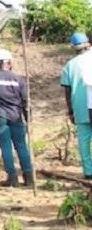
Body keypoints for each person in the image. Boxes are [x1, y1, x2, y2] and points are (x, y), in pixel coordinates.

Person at [0, 49, 33, 188]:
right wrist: (29, 119)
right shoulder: (18, 80)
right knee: (21, 146)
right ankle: (29, 179)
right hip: (16, 116)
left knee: (6, 148)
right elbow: (25, 102)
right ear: (9, 63)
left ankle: (13, 179)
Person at [61, 32, 92, 178]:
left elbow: (67, 90)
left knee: (84, 142)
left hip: (79, 108)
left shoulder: (69, 65)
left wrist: (70, 111)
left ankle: (88, 171)